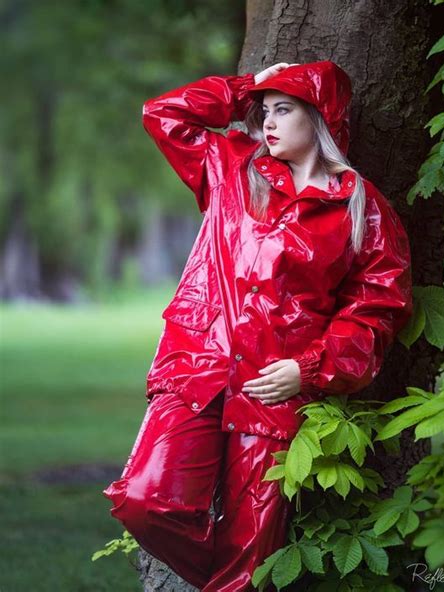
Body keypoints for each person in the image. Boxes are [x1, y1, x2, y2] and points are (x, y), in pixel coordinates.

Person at [103, 61, 413, 591]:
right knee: (143, 501)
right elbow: (163, 115)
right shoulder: (230, 165)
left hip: (273, 389)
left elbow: (375, 310)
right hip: (199, 365)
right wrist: (246, 87)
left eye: (284, 109)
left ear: (319, 118)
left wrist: (310, 368)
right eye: (264, 112)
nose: (267, 122)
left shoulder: (361, 207)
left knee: (250, 553)